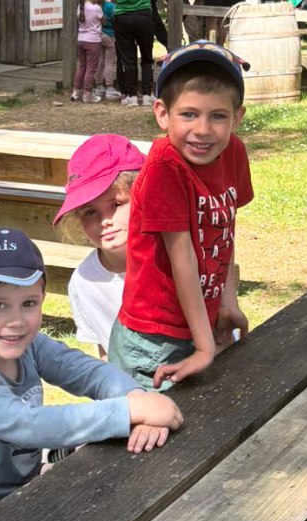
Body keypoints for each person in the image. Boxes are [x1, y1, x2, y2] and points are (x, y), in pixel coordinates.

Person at [0, 227, 183, 521]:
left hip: (17, 496)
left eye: (28, 303)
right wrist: (128, 411)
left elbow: (86, 371)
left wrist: (134, 396)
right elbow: (29, 425)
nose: (16, 320)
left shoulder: (29, 344)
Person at [109, 41, 253, 390]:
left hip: (199, 323)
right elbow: (182, 256)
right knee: (153, 422)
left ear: (237, 117)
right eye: (189, 114)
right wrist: (205, 348)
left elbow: (224, 229)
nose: (203, 130)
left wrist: (227, 300)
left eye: (218, 116)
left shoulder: (232, 150)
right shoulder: (164, 167)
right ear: (162, 114)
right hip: (153, 341)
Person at [54, 134, 146, 360]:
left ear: (145, 197)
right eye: (90, 212)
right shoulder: (84, 281)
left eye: (117, 204)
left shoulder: (175, 256)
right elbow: (105, 353)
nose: (104, 221)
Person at [112, 0, 158, 106]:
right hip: (143, 14)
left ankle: (132, 95)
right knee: (147, 57)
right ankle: (147, 95)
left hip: (122, 15)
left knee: (128, 59)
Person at [72, 0, 105, 103]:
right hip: (93, 40)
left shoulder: (80, 6)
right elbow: (104, 21)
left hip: (81, 39)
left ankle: (75, 92)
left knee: (82, 66)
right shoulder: (96, 8)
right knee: (91, 68)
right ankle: (87, 94)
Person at [99, 1, 120, 100]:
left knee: (100, 61)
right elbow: (117, 20)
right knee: (110, 62)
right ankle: (109, 86)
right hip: (110, 34)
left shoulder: (93, 5)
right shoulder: (111, 6)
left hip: (97, 35)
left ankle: (99, 86)